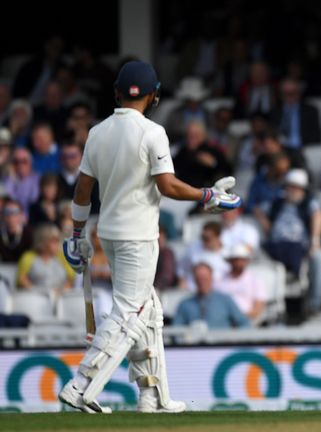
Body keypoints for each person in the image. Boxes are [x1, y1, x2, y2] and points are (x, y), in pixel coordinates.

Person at [57, 61, 241, 414]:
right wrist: (207, 196)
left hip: (108, 234)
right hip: (138, 237)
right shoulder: (152, 133)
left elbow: (82, 189)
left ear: (117, 93)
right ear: (154, 95)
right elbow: (167, 185)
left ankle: (152, 396)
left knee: (150, 310)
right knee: (131, 310)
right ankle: (80, 386)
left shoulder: (97, 132)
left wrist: (77, 232)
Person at [261, 169, 321, 313]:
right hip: (275, 246)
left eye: (294, 187)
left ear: (302, 189)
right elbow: (257, 209)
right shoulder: (278, 202)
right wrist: (268, 227)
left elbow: (318, 216)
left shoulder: (310, 201)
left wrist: (315, 241)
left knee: (319, 256)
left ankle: (315, 303)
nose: (290, 190)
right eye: (288, 186)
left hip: (300, 247)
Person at [173, 262, 250, 329]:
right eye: (199, 279)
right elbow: (176, 329)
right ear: (194, 279)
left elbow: (244, 323)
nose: (202, 282)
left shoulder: (225, 300)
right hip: (192, 345)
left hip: (222, 344)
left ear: (211, 278)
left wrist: (233, 340)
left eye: (205, 278)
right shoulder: (185, 305)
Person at [217, 244, 267, 322]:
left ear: (246, 261)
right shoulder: (220, 281)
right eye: (236, 259)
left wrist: (239, 317)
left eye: (241, 259)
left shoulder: (255, 281)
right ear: (230, 261)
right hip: (223, 321)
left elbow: (258, 308)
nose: (238, 263)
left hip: (247, 321)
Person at [16, 223, 74, 291]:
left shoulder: (63, 256)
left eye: (58, 240)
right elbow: (21, 279)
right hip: (35, 297)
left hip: (61, 297)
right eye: (54, 241)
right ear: (43, 242)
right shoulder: (28, 257)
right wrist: (36, 291)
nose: (58, 244)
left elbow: (71, 279)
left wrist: (61, 291)